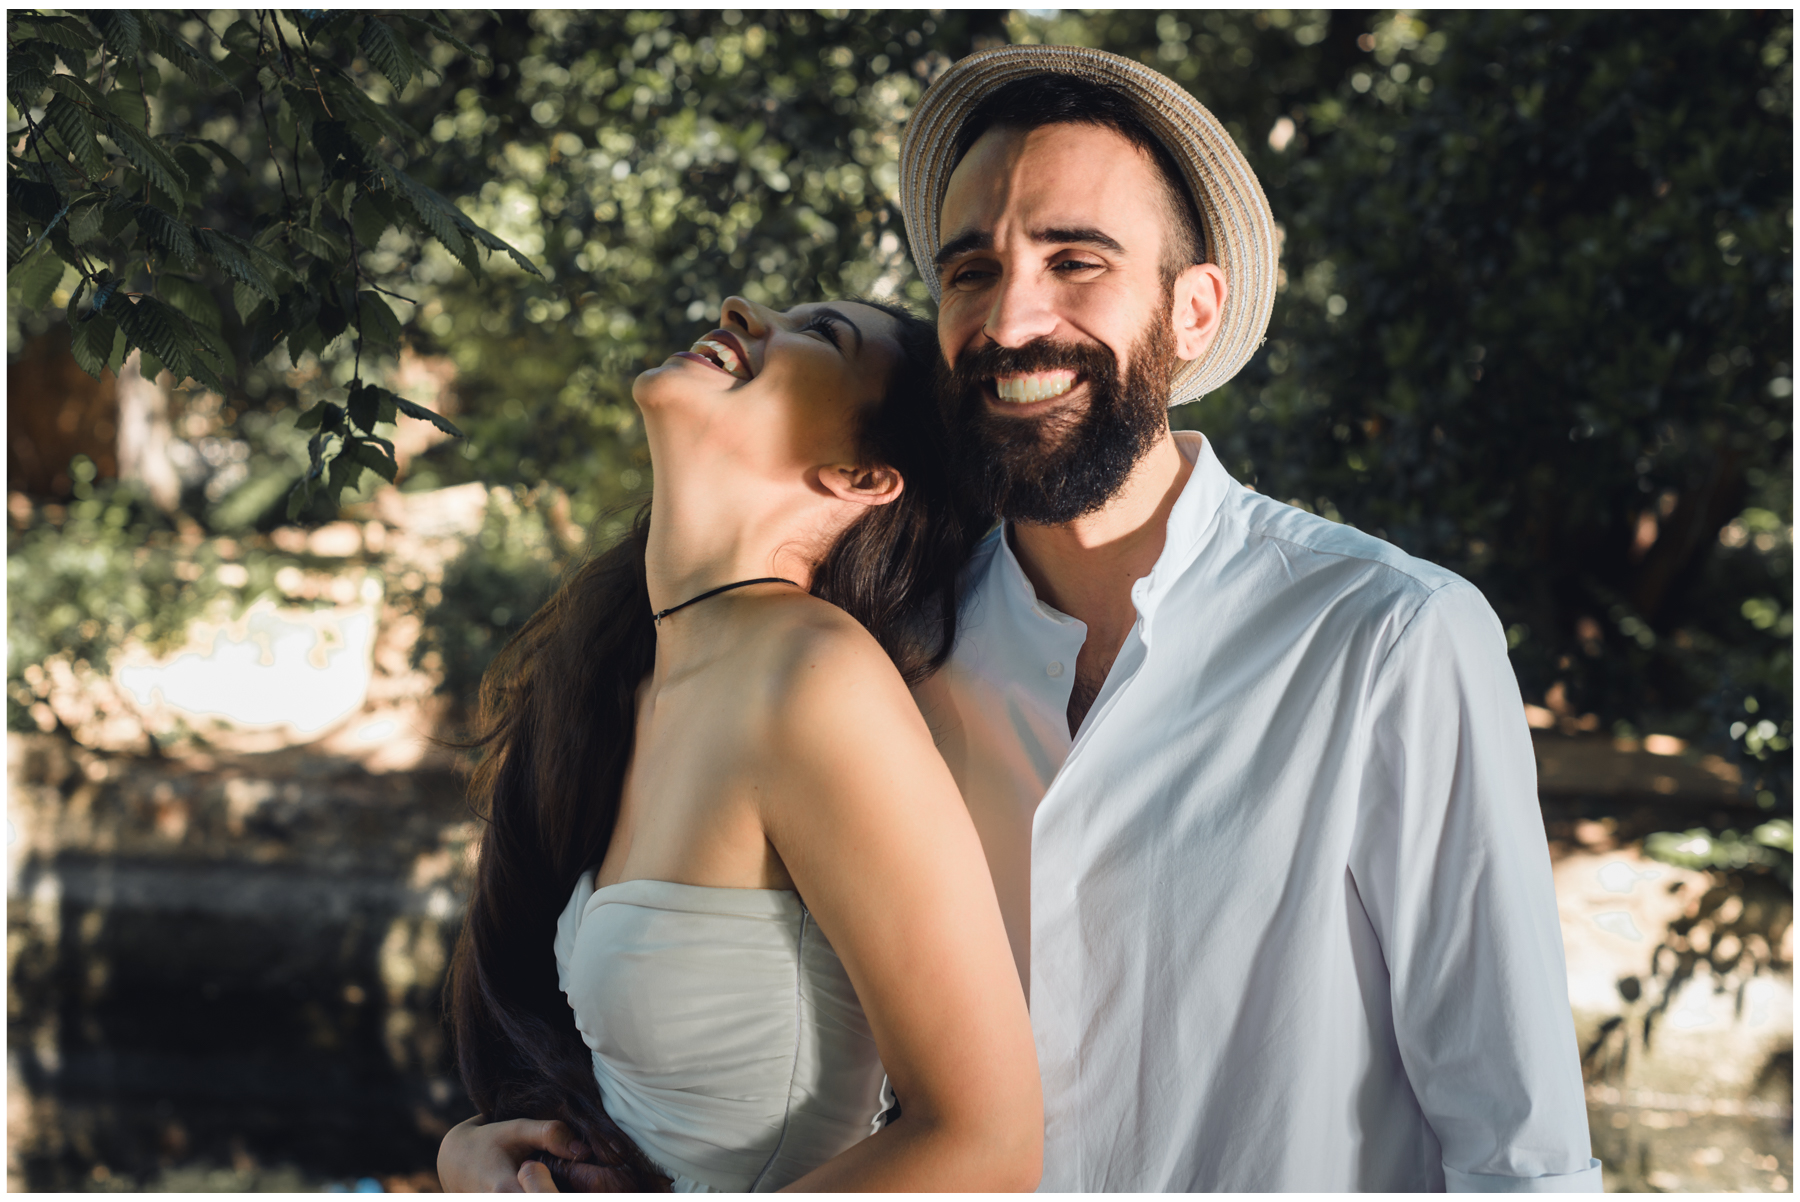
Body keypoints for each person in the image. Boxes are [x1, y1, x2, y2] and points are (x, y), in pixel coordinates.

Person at [445, 44, 1603, 1192]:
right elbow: (723, 1010)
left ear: (1193, 311)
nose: (1009, 322)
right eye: (970, 273)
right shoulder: (899, 650)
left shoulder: (1388, 639)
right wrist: (492, 1142)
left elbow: (1521, 1151)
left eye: (1076, 260)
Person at [438, 294, 1042, 1191]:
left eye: (824, 335)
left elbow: (986, 1144)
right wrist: (471, 1154)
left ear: (861, 476)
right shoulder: (632, 680)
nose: (743, 308)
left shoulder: (813, 678)